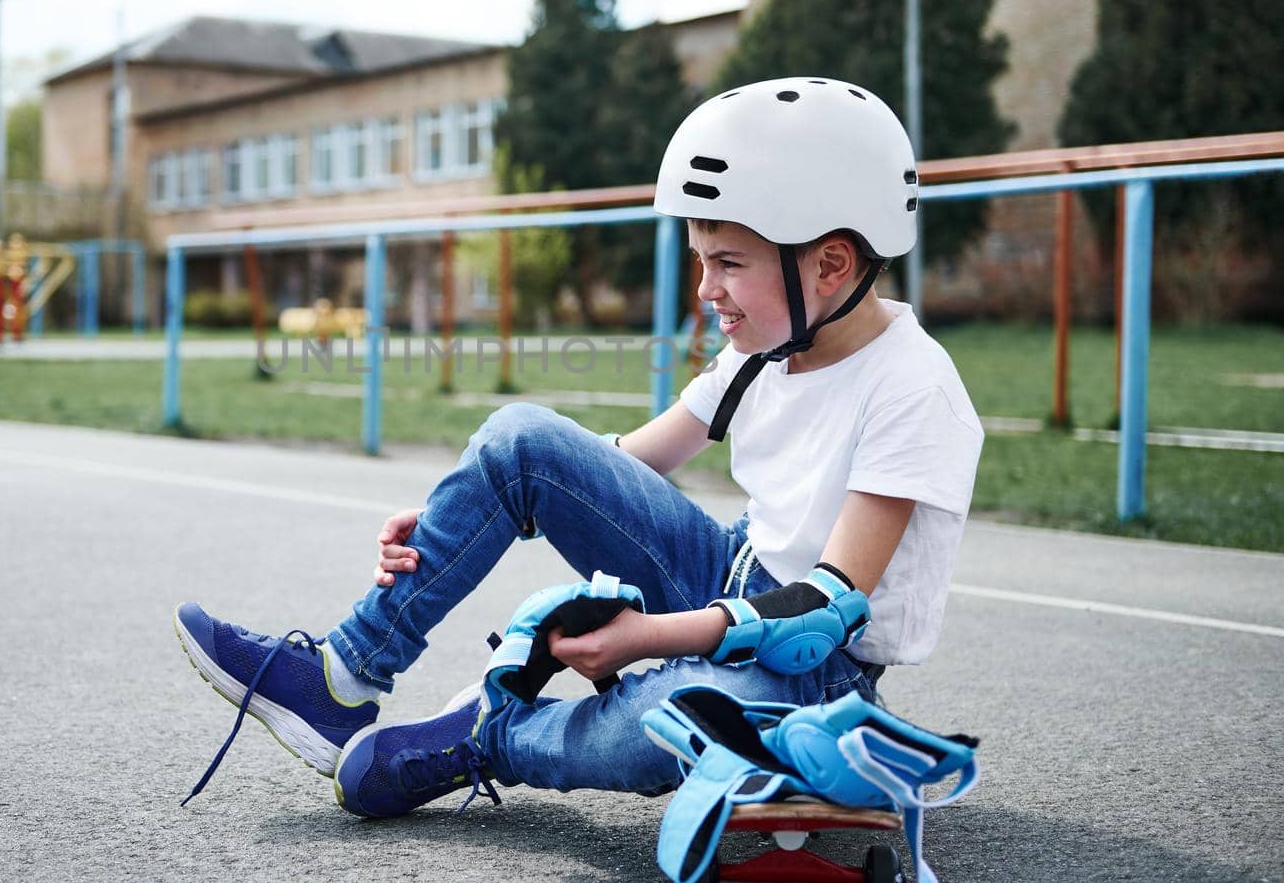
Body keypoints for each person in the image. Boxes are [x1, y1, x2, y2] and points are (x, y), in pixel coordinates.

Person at [174, 77, 984, 816]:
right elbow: (616, 466)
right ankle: (342, 675)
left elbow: (822, 608)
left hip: (815, 667)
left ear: (832, 263)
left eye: (728, 263)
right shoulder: (762, 351)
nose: (706, 291)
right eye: (702, 261)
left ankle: (491, 732)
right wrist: (462, 506)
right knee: (518, 438)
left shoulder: (912, 389)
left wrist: (647, 640)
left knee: (677, 715)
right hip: (723, 573)